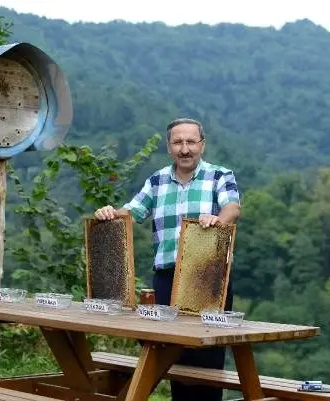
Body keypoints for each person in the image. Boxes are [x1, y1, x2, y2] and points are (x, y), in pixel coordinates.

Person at [94, 117, 241, 401]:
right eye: (178, 142)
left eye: (190, 142)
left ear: (202, 144)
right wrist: (109, 212)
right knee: (172, 356)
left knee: (207, 356)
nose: (185, 149)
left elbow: (232, 209)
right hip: (166, 279)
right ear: (169, 146)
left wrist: (218, 220)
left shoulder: (220, 175)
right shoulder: (157, 180)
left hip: (208, 278)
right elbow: (132, 212)